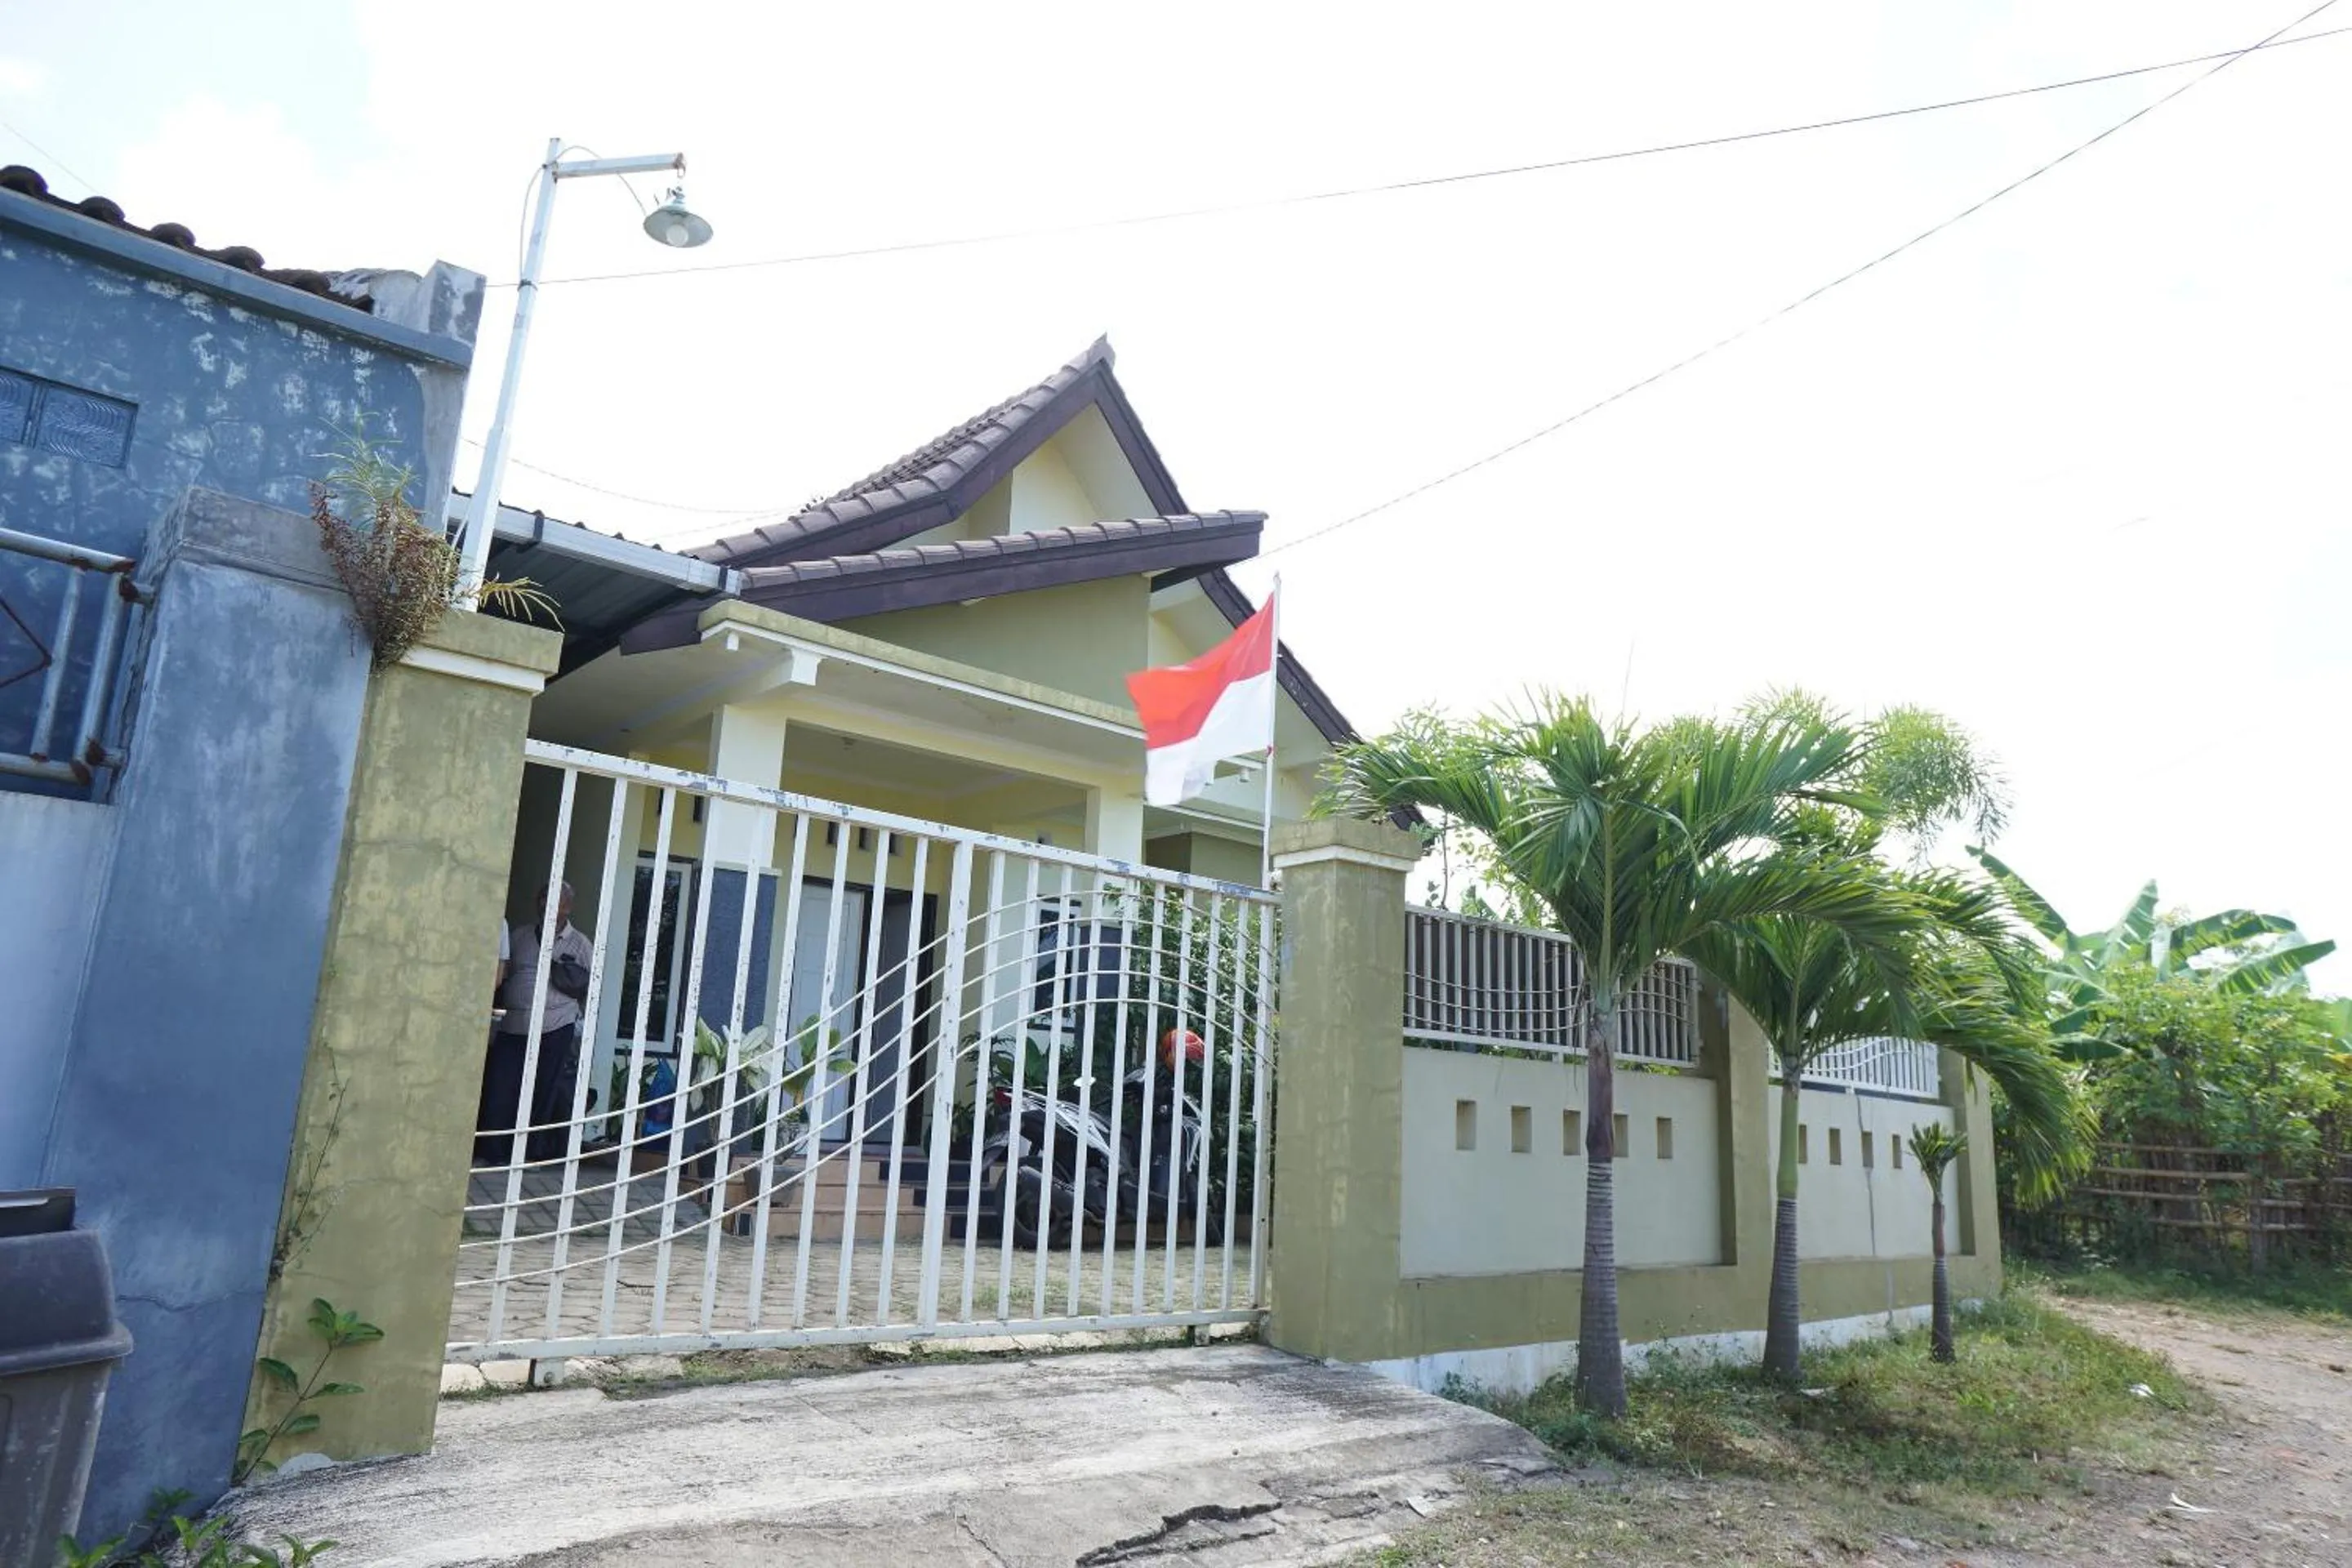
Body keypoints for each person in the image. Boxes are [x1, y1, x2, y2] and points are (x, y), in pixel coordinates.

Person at [483, 882, 596, 1164]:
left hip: (556, 1027)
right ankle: (493, 1152)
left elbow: (592, 987)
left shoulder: (580, 944)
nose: (547, 905)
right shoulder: (519, 936)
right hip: (515, 1026)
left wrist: (580, 1024)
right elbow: (503, 973)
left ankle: (530, 1155)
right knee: (501, 1088)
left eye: (555, 901)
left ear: (567, 907)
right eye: (543, 898)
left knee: (543, 1092)